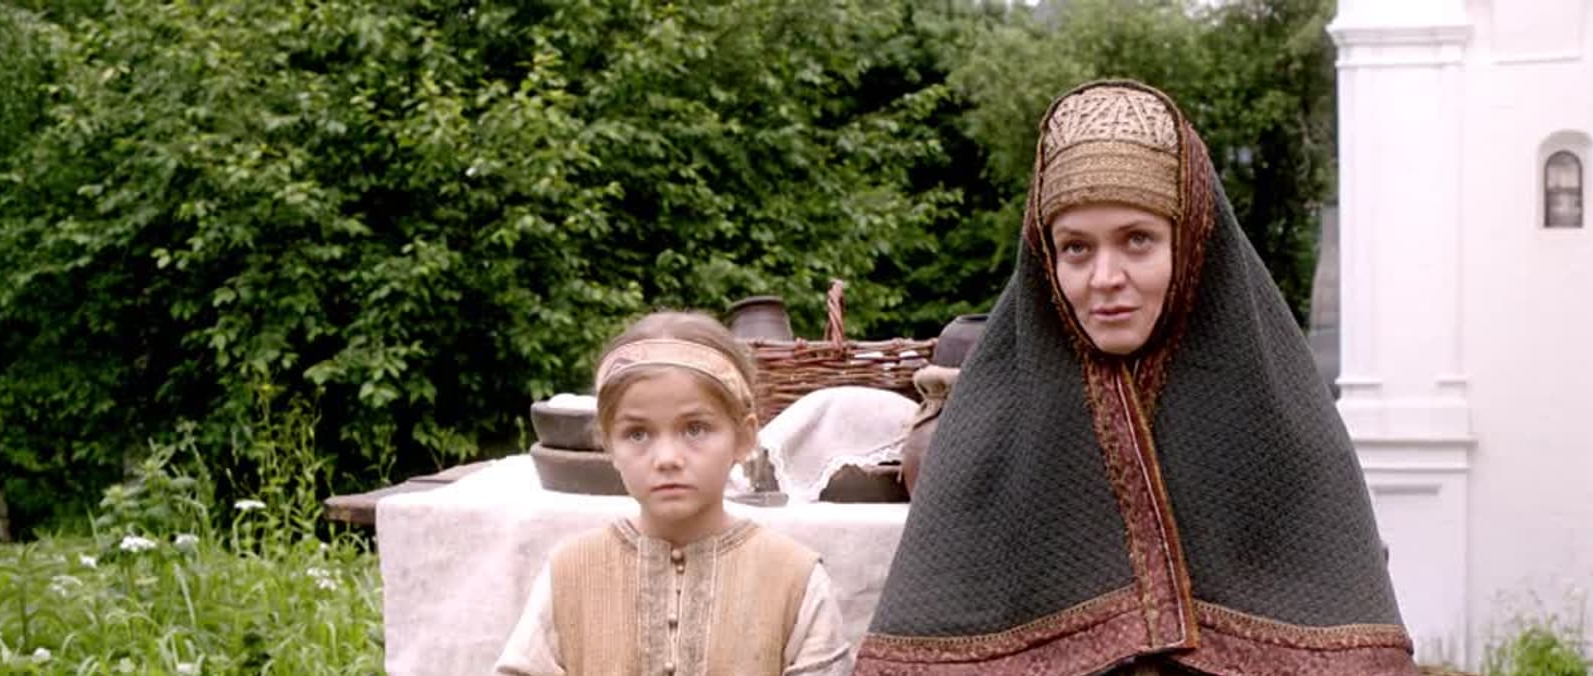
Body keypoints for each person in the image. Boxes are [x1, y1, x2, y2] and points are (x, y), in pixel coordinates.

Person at [854, 80, 1418, 674]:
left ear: (1193, 241)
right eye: (1076, 248)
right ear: (1045, 258)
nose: (1105, 277)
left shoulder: (1287, 433)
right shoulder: (984, 440)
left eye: (1138, 240)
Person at [493, 312, 853, 676]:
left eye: (695, 429)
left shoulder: (794, 579)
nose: (667, 458)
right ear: (608, 445)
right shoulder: (570, 574)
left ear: (744, 437)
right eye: (637, 434)